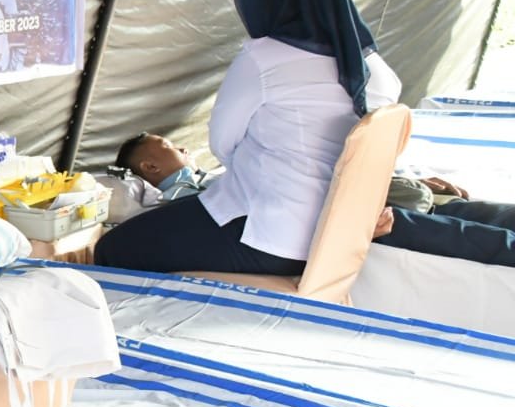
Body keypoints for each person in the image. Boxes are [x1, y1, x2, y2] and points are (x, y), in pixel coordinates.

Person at [96, 0, 402, 274]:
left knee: (112, 248)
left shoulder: (266, 57)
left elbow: (222, 143)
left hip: (267, 235)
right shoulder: (378, 72)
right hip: (340, 236)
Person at [115, 132, 515, 268]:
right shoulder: (184, 202)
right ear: (150, 166)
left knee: (482, 213)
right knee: (471, 235)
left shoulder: (220, 175)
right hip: (350, 213)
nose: (184, 148)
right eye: (169, 146)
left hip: (373, 195)